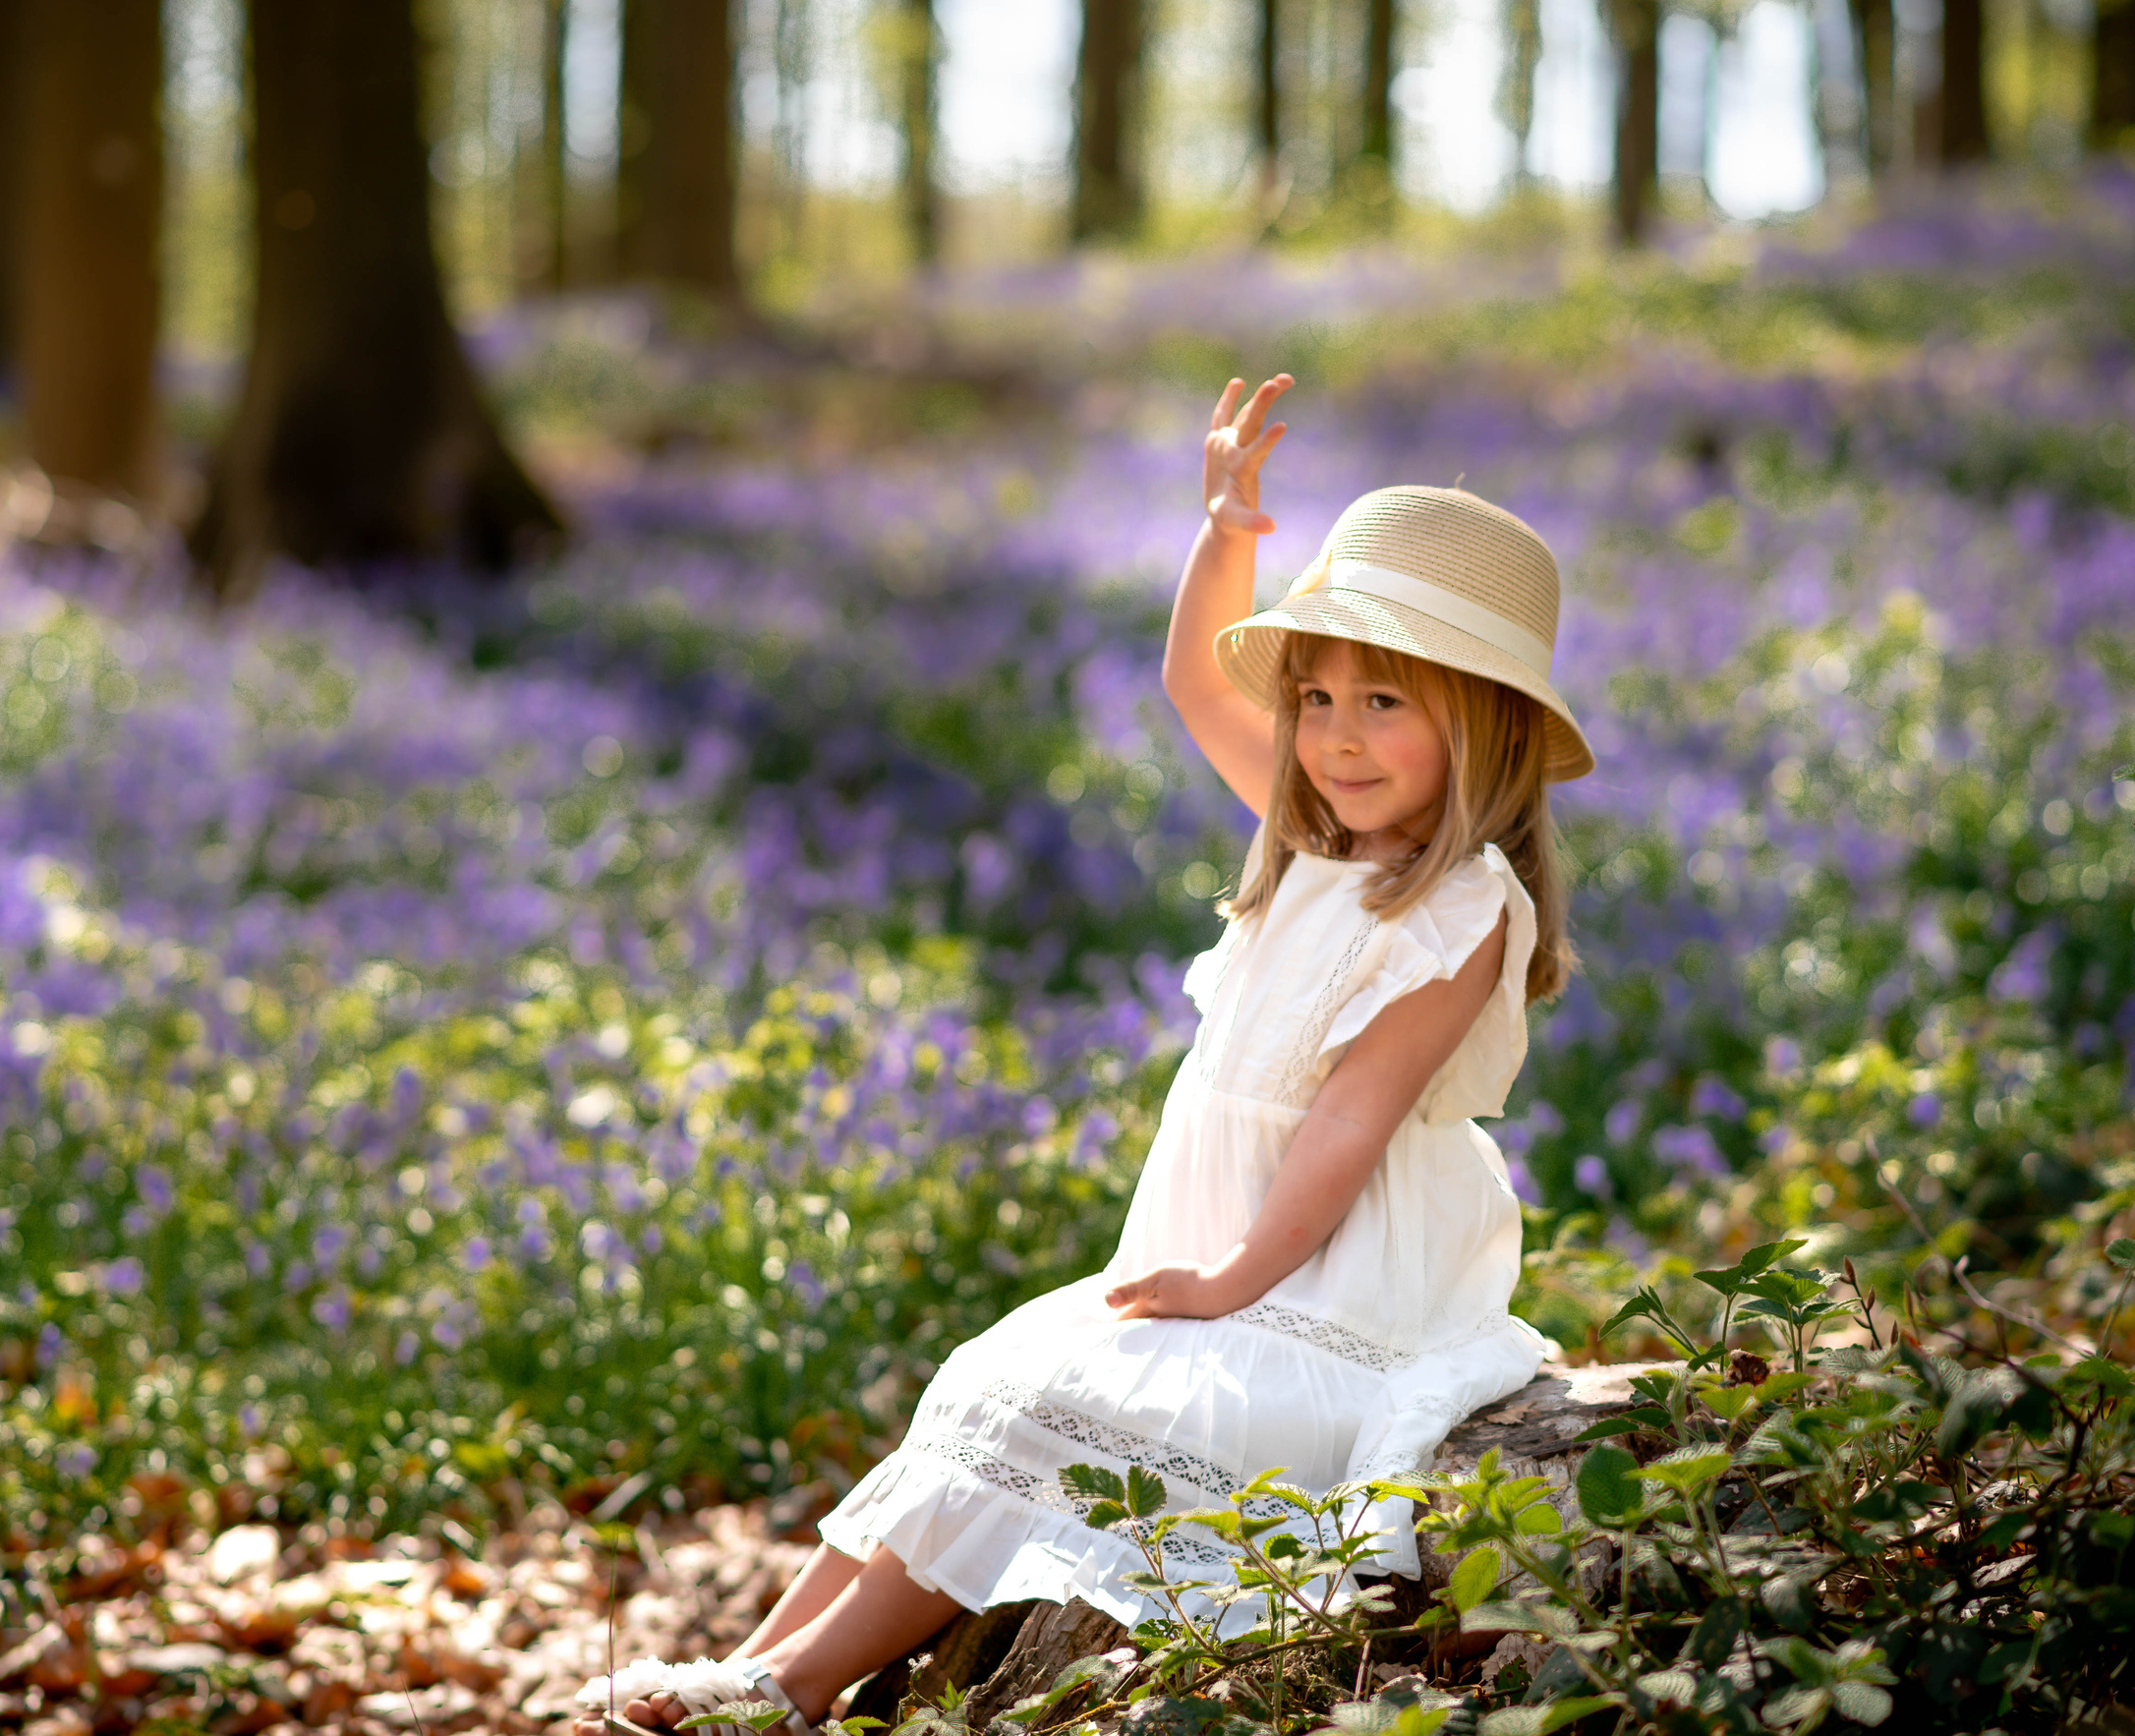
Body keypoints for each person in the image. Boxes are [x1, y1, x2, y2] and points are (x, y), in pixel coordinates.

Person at [574, 375, 1595, 1736]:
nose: (1339, 737)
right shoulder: (1310, 845)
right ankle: (754, 1659)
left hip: (1337, 1284)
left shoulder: (1460, 908)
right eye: (1319, 696)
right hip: (1226, 1252)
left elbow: (1352, 1121)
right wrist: (1227, 525)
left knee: (1053, 1399)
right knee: (988, 1377)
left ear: (1486, 723)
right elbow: (1192, 677)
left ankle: (790, 1687)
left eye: (1387, 703)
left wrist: (1232, 1278)